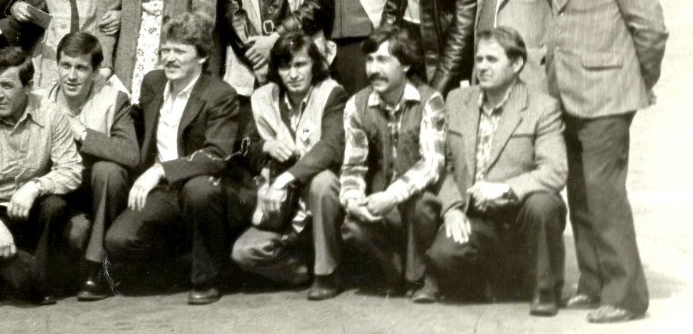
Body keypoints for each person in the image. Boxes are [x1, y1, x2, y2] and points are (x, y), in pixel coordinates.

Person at [538, 0, 667, 324]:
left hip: (608, 96)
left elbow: (650, 30)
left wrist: (636, 82)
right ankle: (593, 283)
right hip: (565, 94)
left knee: (605, 195)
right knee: (581, 194)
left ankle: (626, 294)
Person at [422, 28, 568, 316]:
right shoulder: (456, 100)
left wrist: (505, 188)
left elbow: (555, 169)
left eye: (492, 59)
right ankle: (497, 285)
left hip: (520, 217)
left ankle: (544, 290)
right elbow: (442, 164)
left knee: (544, 203)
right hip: (476, 218)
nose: (482, 67)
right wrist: (451, 207)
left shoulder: (542, 107)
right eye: (479, 60)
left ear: (516, 65)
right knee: (443, 255)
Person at [104, 14, 240, 305]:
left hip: (202, 184)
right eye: (165, 50)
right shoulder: (153, 83)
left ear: (202, 56)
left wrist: (161, 170)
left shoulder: (220, 94)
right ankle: (184, 261)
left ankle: (206, 279)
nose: (169, 58)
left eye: (180, 51)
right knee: (119, 242)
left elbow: (216, 156)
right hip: (164, 192)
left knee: (199, 190)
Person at [0, 48, 83, 305]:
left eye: (7, 86)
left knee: (55, 206)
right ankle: (26, 276)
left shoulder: (51, 114)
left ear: (29, 86)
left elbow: (72, 169)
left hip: (31, 209)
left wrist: (35, 187)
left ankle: (26, 274)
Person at [230, 32, 347, 301]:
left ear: (313, 66)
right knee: (243, 252)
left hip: (319, 198)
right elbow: (243, 146)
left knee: (323, 181)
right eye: (285, 67)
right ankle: (302, 269)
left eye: (300, 65)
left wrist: (287, 178)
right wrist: (265, 147)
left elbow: (331, 146)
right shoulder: (262, 97)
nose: (293, 74)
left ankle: (327, 274)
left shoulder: (331, 92)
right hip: (282, 208)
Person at [339, 26, 445, 300]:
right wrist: (352, 200)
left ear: (406, 64)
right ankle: (395, 271)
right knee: (352, 226)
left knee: (424, 206)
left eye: (383, 60)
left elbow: (432, 163)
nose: (373, 69)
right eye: (370, 60)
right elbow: (353, 165)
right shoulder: (356, 105)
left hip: (414, 201)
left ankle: (420, 278)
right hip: (382, 204)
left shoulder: (430, 100)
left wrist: (392, 195)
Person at [44, 33, 138, 301]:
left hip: (99, 196)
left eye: (81, 68)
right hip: (56, 192)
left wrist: (82, 132)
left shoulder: (113, 98)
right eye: (66, 65)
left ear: (96, 71)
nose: (71, 76)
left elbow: (131, 154)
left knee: (108, 170)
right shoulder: (41, 99)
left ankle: (97, 267)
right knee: (74, 234)